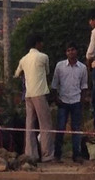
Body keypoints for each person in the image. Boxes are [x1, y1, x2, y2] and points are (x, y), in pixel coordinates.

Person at [15, 33, 54, 162]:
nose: (42, 45)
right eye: (41, 43)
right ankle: (47, 155)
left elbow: (17, 73)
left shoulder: (23, 59)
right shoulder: (43, 57)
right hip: (40, 93)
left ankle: (31, 154)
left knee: (29, 124)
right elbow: (47, 72)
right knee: (45, 124)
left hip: (28, 94)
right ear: (37, 43)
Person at [51, 42, 89, 162]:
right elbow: (54, 85)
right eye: (68, 50)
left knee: (76, 129)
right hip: (63, 101)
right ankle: (57, 155)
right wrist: (56, 99)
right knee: (60, 128)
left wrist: (82, 102)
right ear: (66, 53)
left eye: (73, 50)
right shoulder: (60, 66)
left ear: (76, 51)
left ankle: (76, 155)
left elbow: (84, 87)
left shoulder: (82, 68)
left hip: (76, 101)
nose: (71, 52)